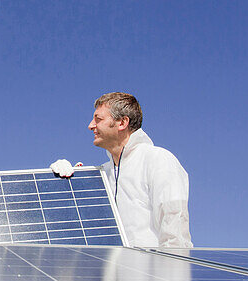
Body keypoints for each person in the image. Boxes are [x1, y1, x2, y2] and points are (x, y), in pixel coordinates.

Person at [51, 92, 191, 248]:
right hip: (107, 270)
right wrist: (62, 183)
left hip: (150, 270)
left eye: (98, 119)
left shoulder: (158, 159)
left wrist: (173, 269)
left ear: (122, 122)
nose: (90, 125)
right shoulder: (103, 174)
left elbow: (175, 228)